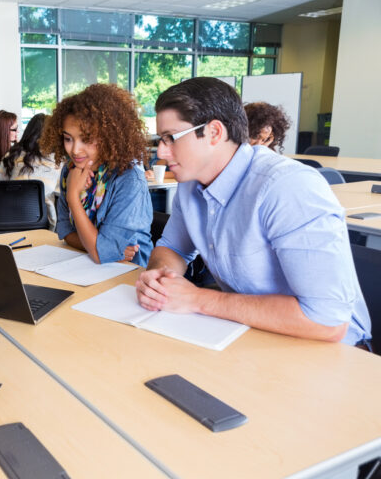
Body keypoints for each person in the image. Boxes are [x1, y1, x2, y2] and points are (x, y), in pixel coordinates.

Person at [135, 77, 372, 347]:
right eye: (160, 139)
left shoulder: (287, 187)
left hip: (329, 350)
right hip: (250, 332)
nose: (161, 152)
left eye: (170, 138)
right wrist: (158, 280)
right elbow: (173, 249)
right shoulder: (191, 183)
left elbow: (327, 321)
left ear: (214, 132)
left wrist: (197, 299)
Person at [40, 83, 153, 266]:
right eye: (68, 139)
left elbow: (101, 254)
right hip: (87, 267)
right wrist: (98, 246)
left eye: (86, 139)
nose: (75, 150)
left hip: (130, 274)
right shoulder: (70, 170)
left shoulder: (129, 180)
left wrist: (73, 197)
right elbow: (65, 232)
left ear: (109, 136)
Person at [0, 113, 62, 229]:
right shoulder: (57, 161)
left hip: (10, 221)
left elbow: (0, 189)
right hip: (45, 225)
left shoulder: (10, 156)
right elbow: (61, 196)